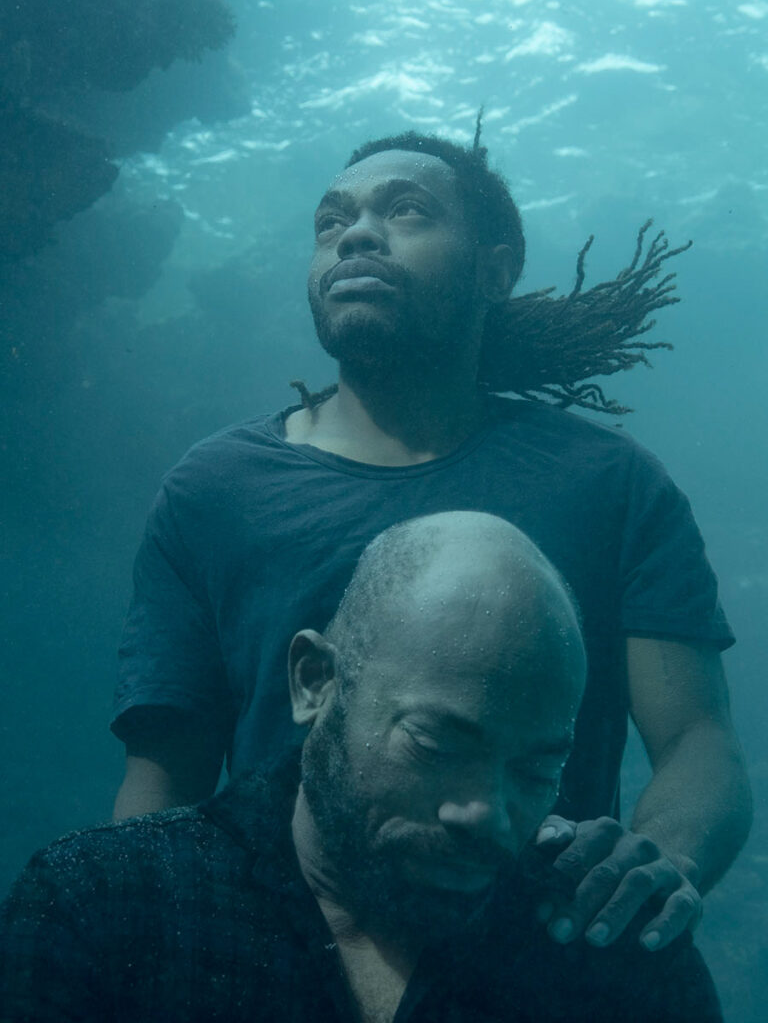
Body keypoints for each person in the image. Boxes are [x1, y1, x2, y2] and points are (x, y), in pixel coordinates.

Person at [112, 126, 751, 950]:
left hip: (536, 959)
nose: (356, 234)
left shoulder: (612, 485)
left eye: (407, 210)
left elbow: (698, 740)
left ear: (496, 270)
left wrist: (658, 862)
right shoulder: (213, 493)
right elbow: (165, 775)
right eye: (331, 221)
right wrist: (140, 949)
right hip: (269, 960)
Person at [1, 514, 723, 1022]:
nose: (486, 811)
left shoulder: (619, 955)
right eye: (437, 745)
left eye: (537, 771)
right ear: (314, 680)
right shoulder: (98, 907)